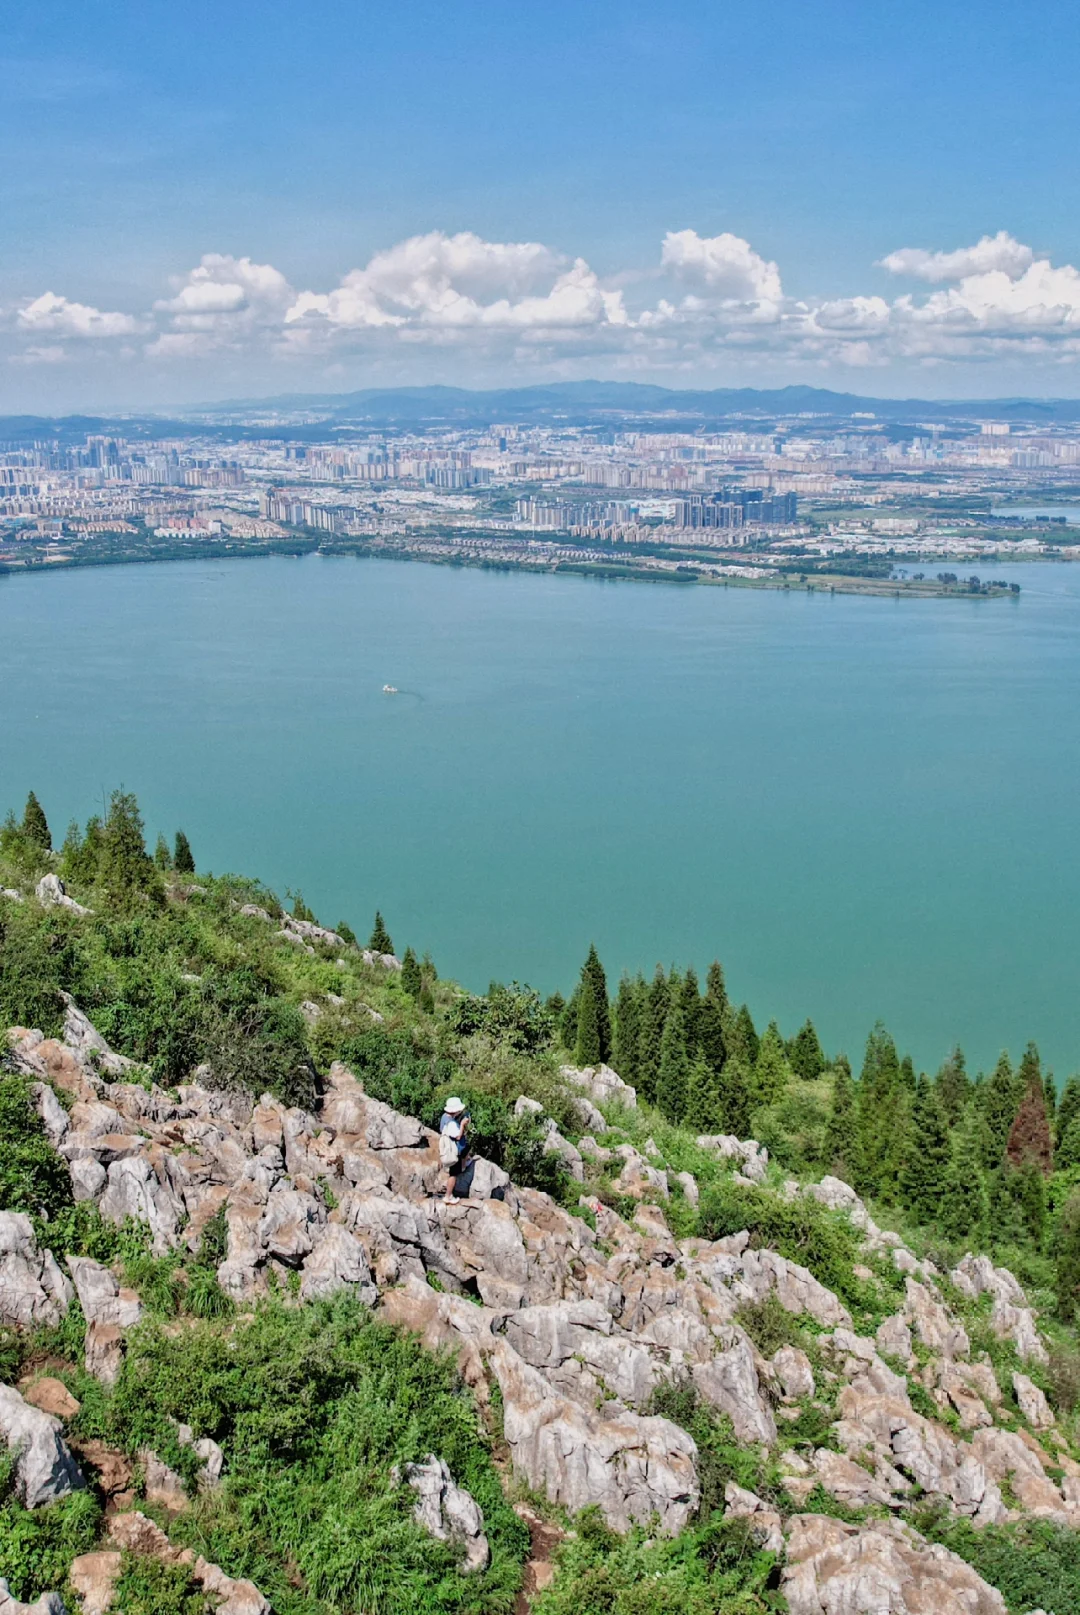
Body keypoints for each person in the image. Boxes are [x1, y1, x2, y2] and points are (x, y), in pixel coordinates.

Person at [439, 1096, 470, 1202]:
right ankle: (448, 1196)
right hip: (453, 1150)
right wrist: (462, 1125)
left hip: (449, 1147)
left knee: (467, 1148)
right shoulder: (452, 1123)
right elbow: (458, 1136)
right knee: (453, 1174)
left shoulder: (444, 1117)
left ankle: (464, 1164)